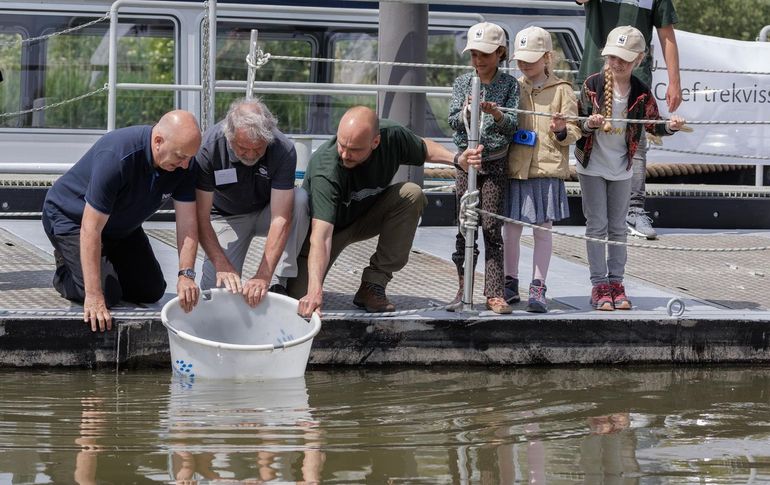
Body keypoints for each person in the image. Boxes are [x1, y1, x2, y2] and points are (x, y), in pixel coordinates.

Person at [287, 105, 482, 317]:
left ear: (375, 142)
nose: (345, 154)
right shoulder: (325, 169)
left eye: (354, 150)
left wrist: (456, 159)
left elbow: (424, 148)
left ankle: (373, 284)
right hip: (331, 229)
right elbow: (321, 236)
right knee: (296, 300)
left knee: (411, 194)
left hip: (366, 215)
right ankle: (305, 287)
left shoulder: (391, 136)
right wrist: (315, 291)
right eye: (342, 145)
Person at [41, 110, 202, 332]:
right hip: (72, 219)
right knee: (106, 295)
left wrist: (186, 275)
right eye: (180, 157)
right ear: (158, 142)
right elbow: (90, 227)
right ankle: (65, 270)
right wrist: (93, 294)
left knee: (151, 290)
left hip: (121, 226)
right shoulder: (118, 155)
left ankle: (101, 263)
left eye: (189, 157)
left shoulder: (184, 165)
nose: (185, 164)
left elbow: (187, 225)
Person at [575, 26, 685, 311]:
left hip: (622, 168)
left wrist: (670, 127)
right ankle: (599, 284)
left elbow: (652, 124)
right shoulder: (591, 83)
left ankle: (617, 283)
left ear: (639, 60)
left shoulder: (641, 91)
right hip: (592, 166)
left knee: (619, 228)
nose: (617, 63)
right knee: (596, 225)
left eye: (624, 58)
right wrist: (590, 124)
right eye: (613, 56)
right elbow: (578, 123)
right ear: (606, 56)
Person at [576, 0, 682, 240]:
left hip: (635, 78)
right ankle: (596, 215)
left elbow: (667, 34)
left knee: (636, 145)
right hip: (595, 74)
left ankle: (633, 210)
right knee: (587, 136)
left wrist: (675, 81)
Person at [195, 98, 309, 307]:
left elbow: (281, 218)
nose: (250, 155)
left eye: (258, 149)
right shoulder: (209, 148)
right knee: (215, 294)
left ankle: (280, 282)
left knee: (300, 200)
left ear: (268, 139)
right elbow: (200, 217)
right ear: (229, 137)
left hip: (267, 211)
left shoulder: (283, 148)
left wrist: (263, 275)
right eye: (243, 148)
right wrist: (222, 263)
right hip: (227, 216)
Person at [504, 26, 581, 313]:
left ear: (547, 57)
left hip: (546, 170)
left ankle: (538, 286)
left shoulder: (563, 90)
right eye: (520, 59)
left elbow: (575, 130)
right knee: (510, 229)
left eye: (531, 58)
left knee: (543, 230)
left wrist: (562, 131)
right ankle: (510, 281)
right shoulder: (513, 87)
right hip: (516, 168)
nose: (524, 64)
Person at [448, 21, 519, 314]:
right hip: (468, 164)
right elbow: (453, 122)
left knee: (491, 226)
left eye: (485, 54)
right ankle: (463, 289)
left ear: (500, 53)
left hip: (495, 163)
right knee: (465, 226)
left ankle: (494, 293)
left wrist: (497, 115)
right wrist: (466, 111)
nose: (478, 60)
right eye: (474, 54)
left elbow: (513, 125)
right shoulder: (462, 83)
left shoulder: (509, 85)